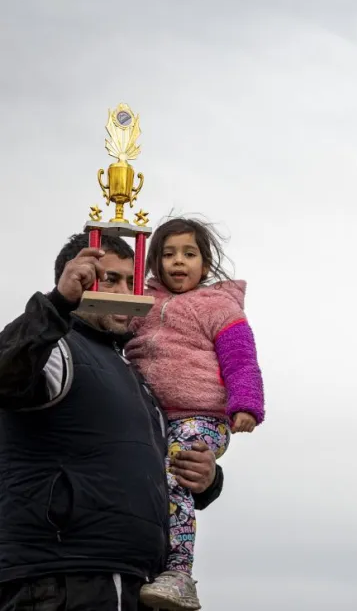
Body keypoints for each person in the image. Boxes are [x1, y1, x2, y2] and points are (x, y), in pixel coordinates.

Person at [0, 232, 225, 611]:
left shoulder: (137, 374)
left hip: (135, 584)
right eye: (111, 280)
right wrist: (57, 303)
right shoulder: (57, 350)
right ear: (79, 281)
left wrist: (207, 480)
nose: (126, 292)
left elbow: (148, 467)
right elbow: (6, 374)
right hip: (58, 580)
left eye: (132, 281)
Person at [124, 216, 265, 610]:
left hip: (201, 416)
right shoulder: (142, 303)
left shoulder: (217, 306)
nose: (178, 262)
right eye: (168, 254)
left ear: (205, 263)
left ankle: (179, 573)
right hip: (152, 416)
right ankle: (149, 563)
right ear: (152, 263)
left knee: (177, 473)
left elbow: (241, 359)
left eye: (189, 254)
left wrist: (246, 404)